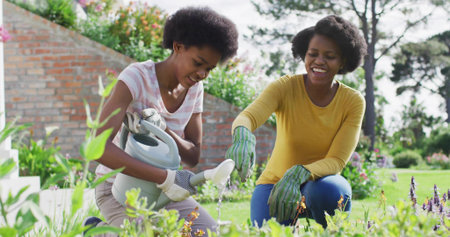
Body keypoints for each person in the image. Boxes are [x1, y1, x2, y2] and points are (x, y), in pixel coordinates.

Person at [84, 6, 238, 236]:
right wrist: (165, 177)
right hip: (118, 189)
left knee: (207, 233)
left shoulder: (195, 90)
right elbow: (96, 148)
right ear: (177, 47)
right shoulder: (136, 78)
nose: (202, 74)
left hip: (164, 192)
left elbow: (192, 155)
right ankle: (98, 231)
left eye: (209, 69)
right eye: (198, 63)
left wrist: (164, 129)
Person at [226, 15, 367, 228]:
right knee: (264, 232)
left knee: (331, 191)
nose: (319, 61)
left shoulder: (352, 101)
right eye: (313, 54)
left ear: (343, 61)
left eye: (330, 56)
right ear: (304, 55)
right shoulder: (285, 87)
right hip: (274, 184)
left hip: (320, 185)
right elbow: (248, 116)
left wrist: (299, 173)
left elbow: (337, 160)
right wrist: (242, 134)